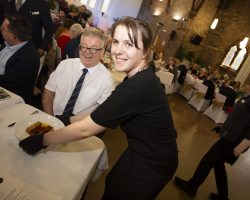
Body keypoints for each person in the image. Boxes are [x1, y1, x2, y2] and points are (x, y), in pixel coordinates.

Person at [19, 16, 178, 200]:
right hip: (140, 148)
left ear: (145, 53)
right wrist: (63, 120)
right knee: (111, 183)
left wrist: (42, 140)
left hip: (154, 162)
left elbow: (87, 127)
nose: (118, 50)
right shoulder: (138, 77)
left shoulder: (138, 86)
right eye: (117, 41)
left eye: (129, 44)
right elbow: (100, 113)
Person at [174, 95, 250, 200]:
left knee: (208, 161)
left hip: (232, 141)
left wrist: (239, 149)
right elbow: (240, 116)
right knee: (218, 165)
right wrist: (223, 127)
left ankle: (191, 187)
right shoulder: (248, 97)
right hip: (229, 136)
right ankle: (223, 196)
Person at [42, 27, 115, 125]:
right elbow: (48, 93)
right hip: (52, 118)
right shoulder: (65, 65)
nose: (87, 52)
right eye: (84, 46)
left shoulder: (107, 79)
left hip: (80, 127)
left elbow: (103, 113)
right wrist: (50, 120)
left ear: (102, 52)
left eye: (93, 49)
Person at [0, 14, 40, 105]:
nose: (0, 29)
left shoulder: (28, 59)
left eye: (2, 28)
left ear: (12, 36)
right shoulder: (9, 43)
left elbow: (6, 83)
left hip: (11, 99)